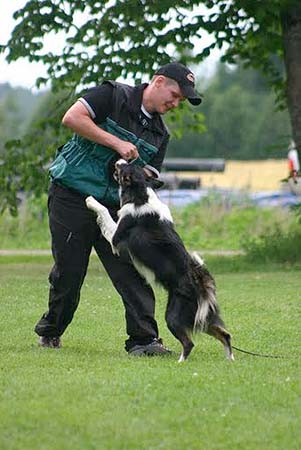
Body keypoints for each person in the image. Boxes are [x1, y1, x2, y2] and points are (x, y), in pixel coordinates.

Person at [34, 61, 202, 355]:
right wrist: (117, 143)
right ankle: (51, 331)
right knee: (70, 272)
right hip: (72, 193)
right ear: (158, 81)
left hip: (115, 208)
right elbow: (72, 118)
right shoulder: (112, 96)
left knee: (131, 269)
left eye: (181, 101)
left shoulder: (160, 135)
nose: (176, 103)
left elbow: (145, 182)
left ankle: (144, 340)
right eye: (175, 94)